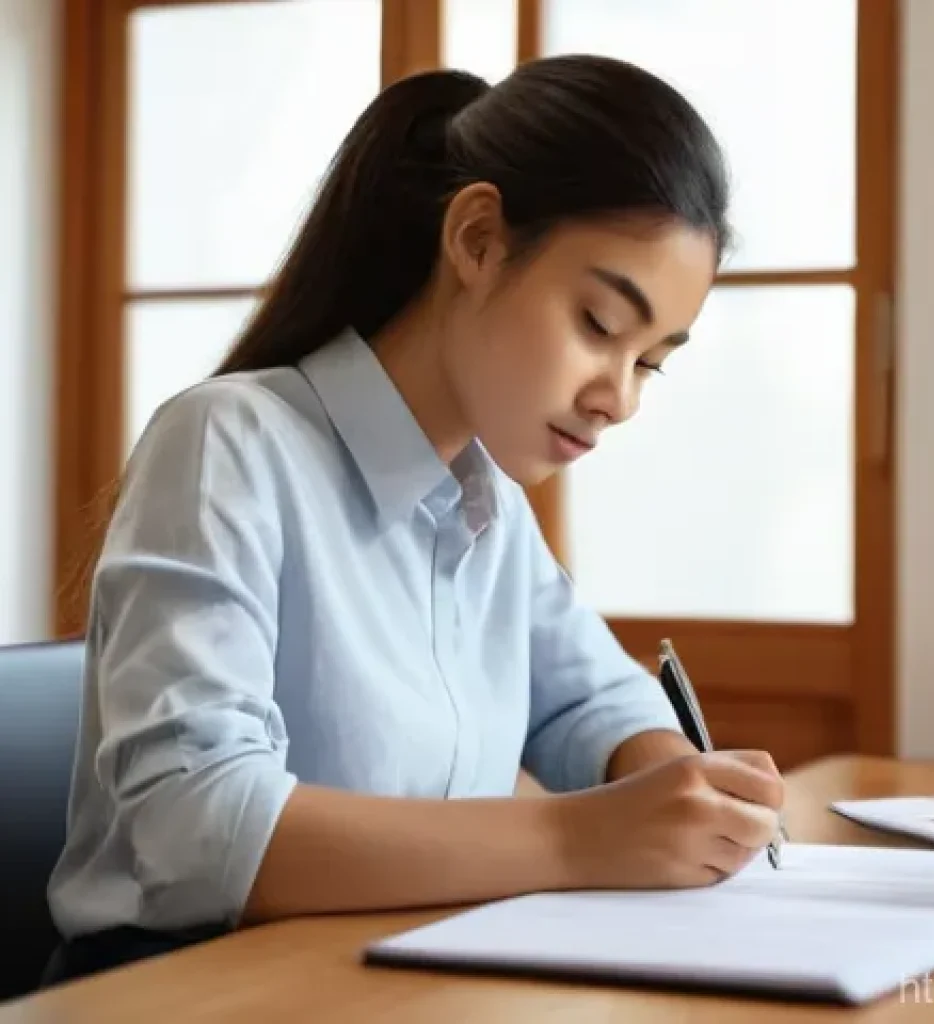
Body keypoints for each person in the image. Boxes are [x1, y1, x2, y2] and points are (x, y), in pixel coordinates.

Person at [42, 54, 785, 987]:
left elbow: (591, 699)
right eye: (599, 325)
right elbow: (193, 824)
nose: (619, 399)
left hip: (397, 974)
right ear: (476, 240)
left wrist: (679, 784)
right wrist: (575, 837)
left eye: (651, 363)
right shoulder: (228, 444)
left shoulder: (487, 503)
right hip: (188, 986)